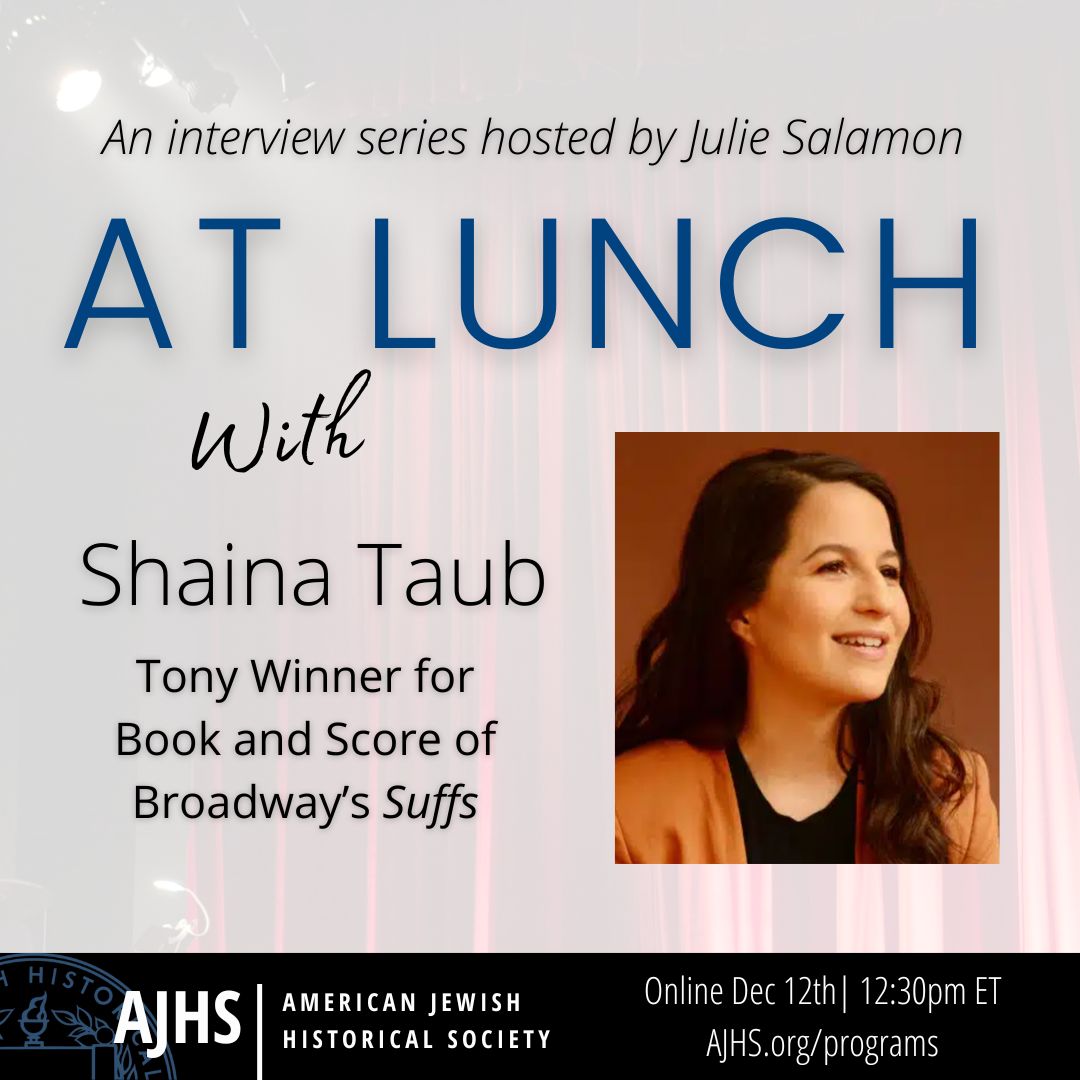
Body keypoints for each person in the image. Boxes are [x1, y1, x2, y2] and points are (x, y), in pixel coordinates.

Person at [615, 449, 999, 864]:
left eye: (889, 572)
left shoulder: (951, 793)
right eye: (834, 567)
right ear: (741, 610)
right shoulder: (625, 808)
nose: (880, 602)